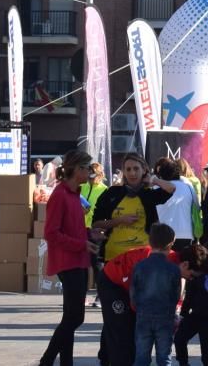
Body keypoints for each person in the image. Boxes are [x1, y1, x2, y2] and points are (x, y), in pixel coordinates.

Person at [98, 228, 201, 366]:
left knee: (119, 322)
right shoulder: (157, 262)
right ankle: (113, 360)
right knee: (122, 330)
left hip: (127, 283)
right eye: (192, 275)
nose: (191, 279)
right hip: (112, 281)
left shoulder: (175, 265)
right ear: (185, 265)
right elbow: (139, 292)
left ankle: (105, 357)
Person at [39, 150, 103, 366]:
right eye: (86, 168)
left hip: (78, 259)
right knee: (75, 317)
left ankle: (66, 361)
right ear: (76, 170)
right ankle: (47, 360)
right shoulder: (60, 195)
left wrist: (88, 234)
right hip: (68, 261)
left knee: (70, 317)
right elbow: (51, 233)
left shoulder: (74, 194)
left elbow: (72, 228)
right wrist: (81, 243)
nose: (90, 173)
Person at [91, 152, 177, 263]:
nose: (132, 173)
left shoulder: (148, 194)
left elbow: (171, 188)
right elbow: (96, 223)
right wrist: (119, 220)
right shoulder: (111, 193)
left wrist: (152, 180)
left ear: (144, 170)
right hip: (115, 256)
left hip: (143, 256)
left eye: (136, 169)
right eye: (128, 169)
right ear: (124, 172)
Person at [131, 223, 181, 366]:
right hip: (165, 316)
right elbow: (176, 295)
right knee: (164, 357)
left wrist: (138, 307)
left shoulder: (139, 266)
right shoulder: (173, 268)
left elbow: (133, 293)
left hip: (143, 315)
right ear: (171, 244)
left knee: (141, 356)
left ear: (150, 242)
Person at [79, 161, 108, 308]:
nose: (90, 178)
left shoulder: (104, 190)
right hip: (79, 229)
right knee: (82, 264)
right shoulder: (82, 187)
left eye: (93, 175)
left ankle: (101, 296)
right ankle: (81, 296)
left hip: (96, 231)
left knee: (97, 264)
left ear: (99, 175)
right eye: (88, 174)